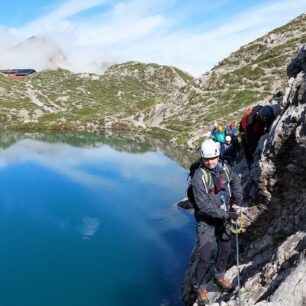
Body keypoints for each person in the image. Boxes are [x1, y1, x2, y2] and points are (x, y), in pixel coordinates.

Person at [190, 139, 242, 305]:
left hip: (223, 214)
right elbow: (203, 205)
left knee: (225, 247)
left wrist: (236, 200)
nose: (210, 162)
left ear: (218, 156)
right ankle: (199, 286)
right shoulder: (199, 176)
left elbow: (235, 181)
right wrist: (227, 215)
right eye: (206, 159)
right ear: (202, 159)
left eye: (213, 158)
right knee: (206, 253)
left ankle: (219, 276)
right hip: (206, 219)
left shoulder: (225, 168)